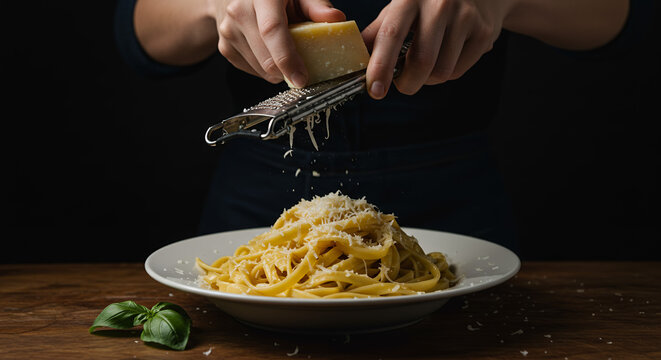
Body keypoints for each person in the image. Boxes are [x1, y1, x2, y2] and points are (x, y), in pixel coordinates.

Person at [114, 0, 641, 254]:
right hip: (258, 206)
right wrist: (209, 3)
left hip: (456, 205)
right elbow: (137, 37)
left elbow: (627, 19)